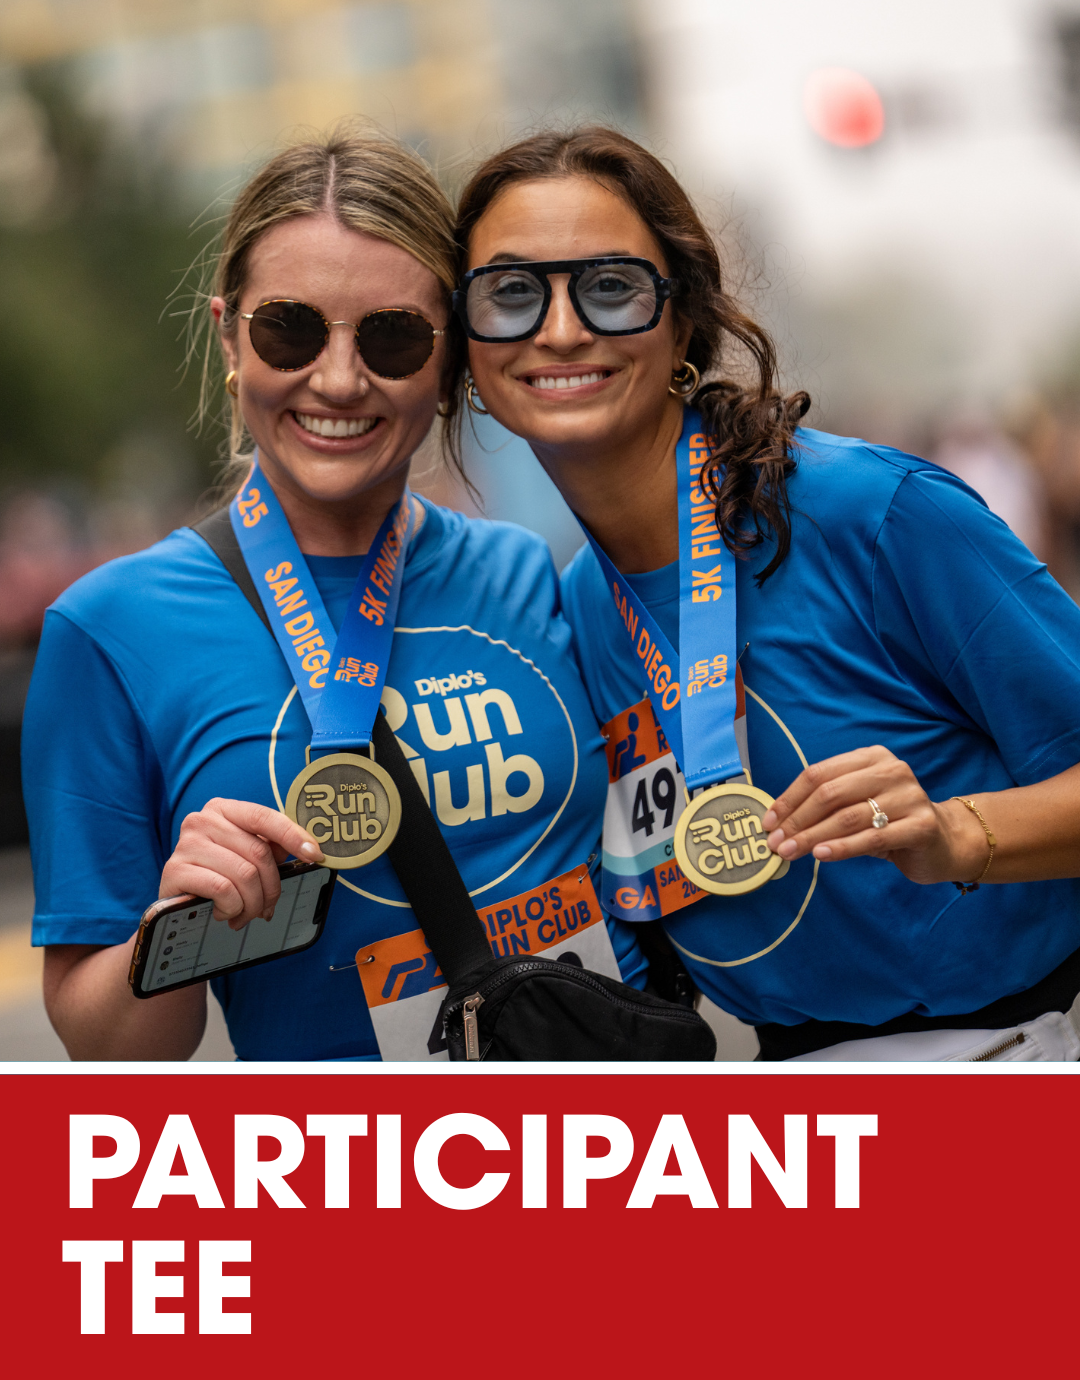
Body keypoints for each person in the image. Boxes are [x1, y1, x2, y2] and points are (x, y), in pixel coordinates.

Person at [453, 126, 1080, 1061]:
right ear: (465, 348)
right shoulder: (580, 608)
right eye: (510, 294)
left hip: (1019, 1058)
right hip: (789, 1115)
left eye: (611, 287)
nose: (560, 328)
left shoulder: (871, 513)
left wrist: (955, 832)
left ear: (682, 319)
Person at [27, 127, 645, 1062]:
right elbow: (110, 1050)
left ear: (448, 364)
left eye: (394, 338)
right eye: (291, 328)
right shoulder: (110, 631)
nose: (341, 378)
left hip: (610, 1156)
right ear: (229, 334)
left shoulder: (528, 575)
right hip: (350, 1179)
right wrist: (178, 927)